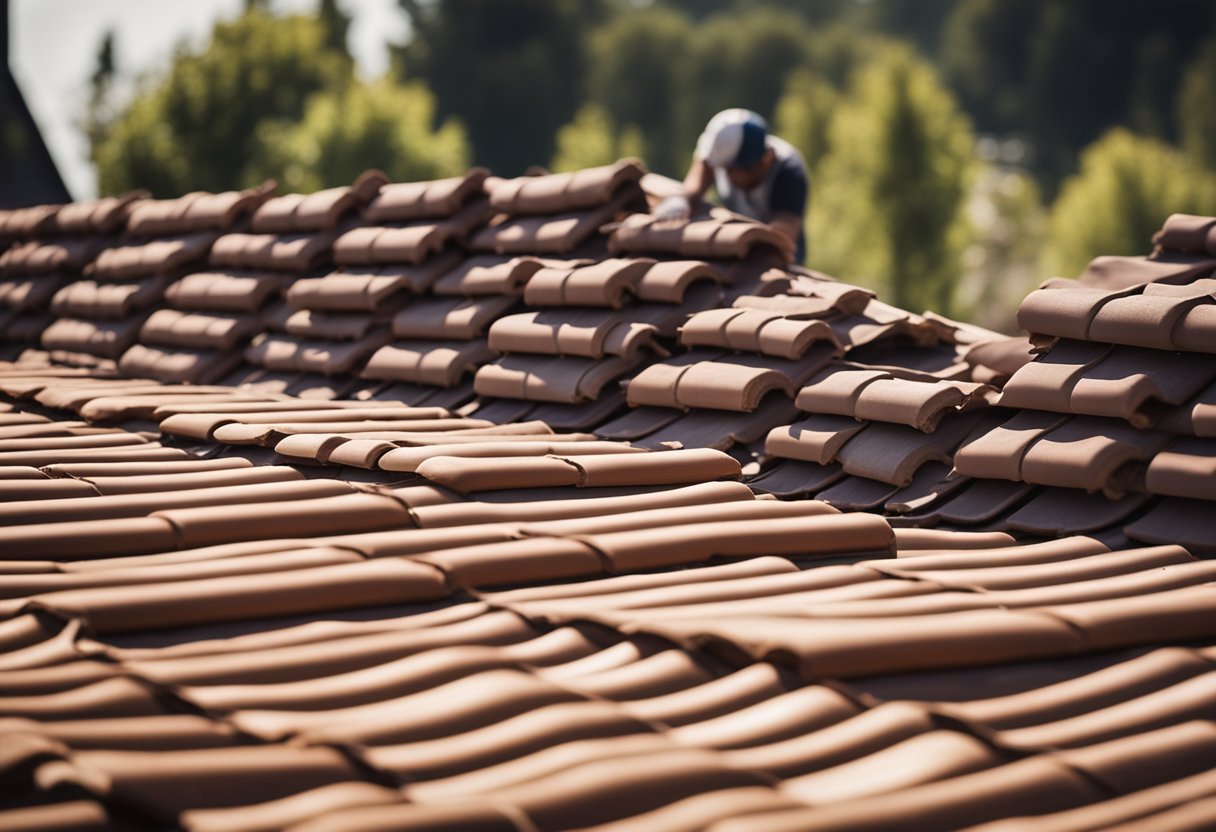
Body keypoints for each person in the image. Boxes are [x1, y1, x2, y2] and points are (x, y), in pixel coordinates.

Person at [656, 108, 809, 263]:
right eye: (724, 168)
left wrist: (736, 246)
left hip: (777, 254)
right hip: (732, 239)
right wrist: (684, 199)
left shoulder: (789, 171)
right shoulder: (718, 153)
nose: (727, 175)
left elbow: (782, 236)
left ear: (765, 161)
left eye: (733, 170)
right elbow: (702, 170)